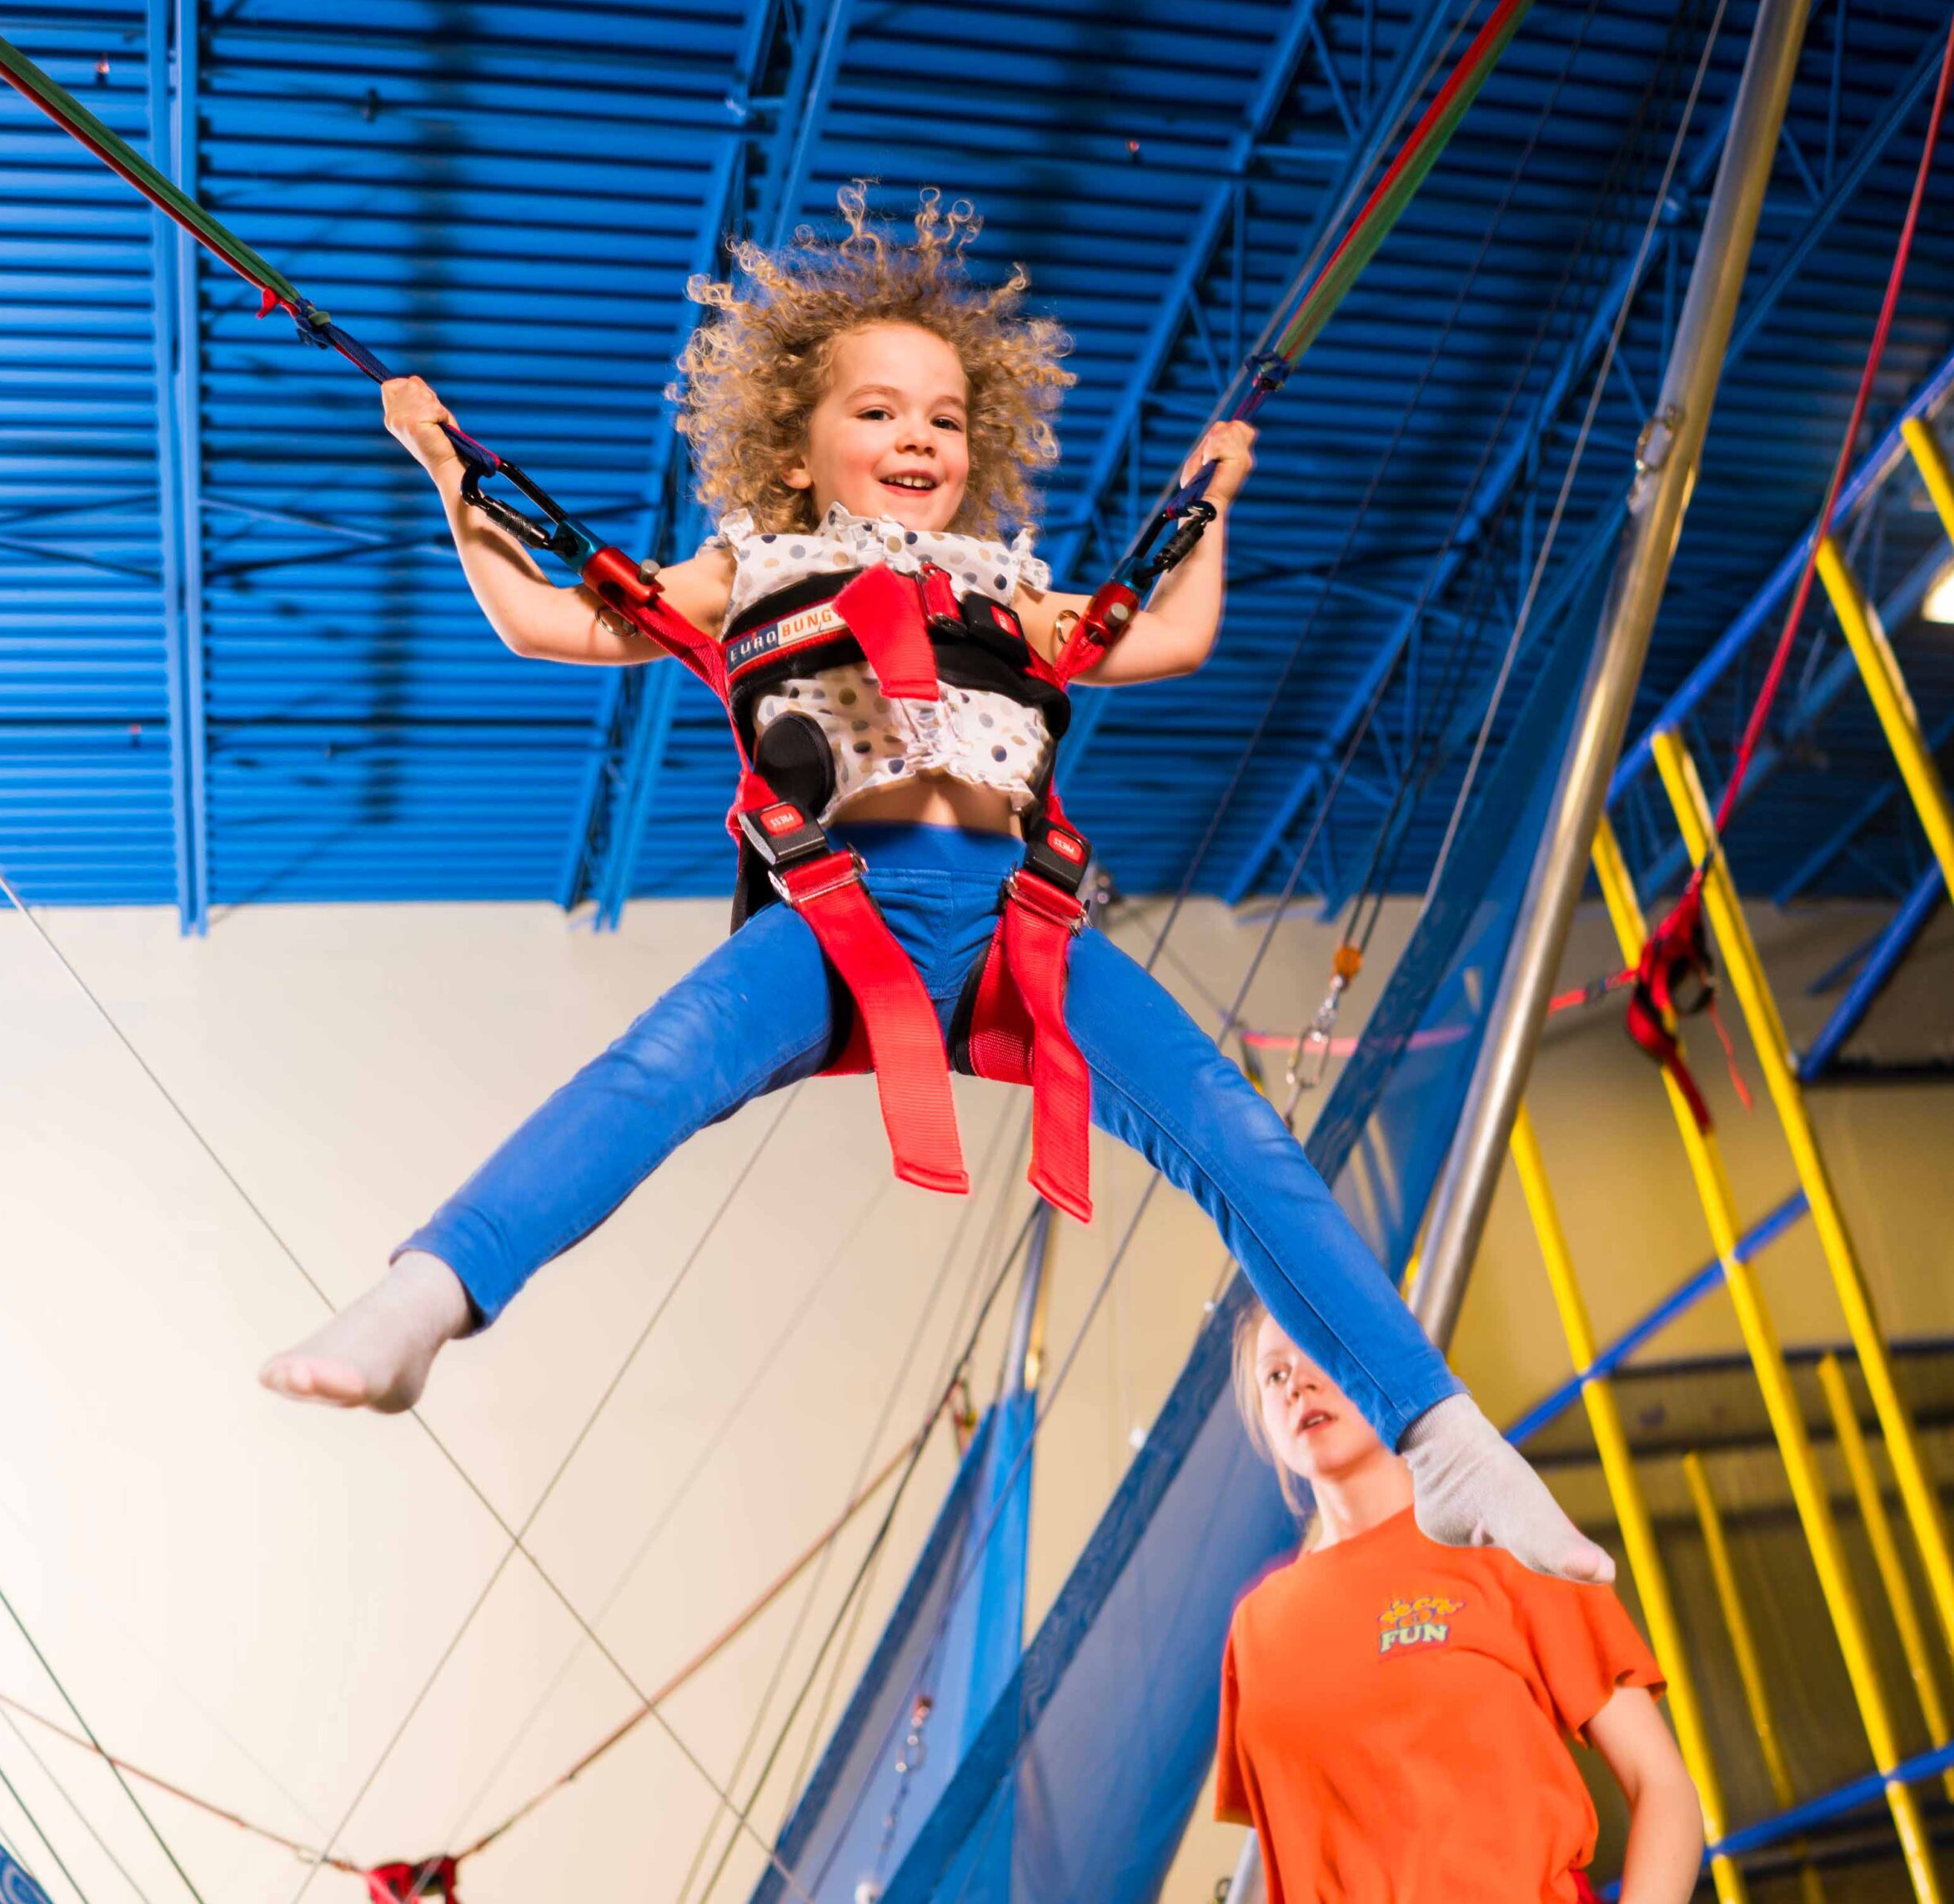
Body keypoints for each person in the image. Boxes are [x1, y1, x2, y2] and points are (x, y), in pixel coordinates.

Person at [258, 186, 1610, 1586]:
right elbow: (550, 622)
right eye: (879, 410)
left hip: (1023, 928)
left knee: (1241, 1139)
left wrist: (1209, 500)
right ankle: (427, 1294)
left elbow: (1173, 635)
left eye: (945, 418)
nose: (917, 436)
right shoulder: (751, 565)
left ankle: (1443, 1443)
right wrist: (446, 475)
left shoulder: (1009, 592)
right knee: (646, 1077)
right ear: (796, 444)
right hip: (842, 918)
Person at [1217, 1301, 1704, 1902]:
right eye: (1275, 1375)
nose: (1300, 1385)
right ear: (1264, 1417)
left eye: (1320, 1350)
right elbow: (1284, 1856)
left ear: (1385, 1363)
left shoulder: (1508, 1537)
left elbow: (1663, 1788)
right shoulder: (1257, 1628)